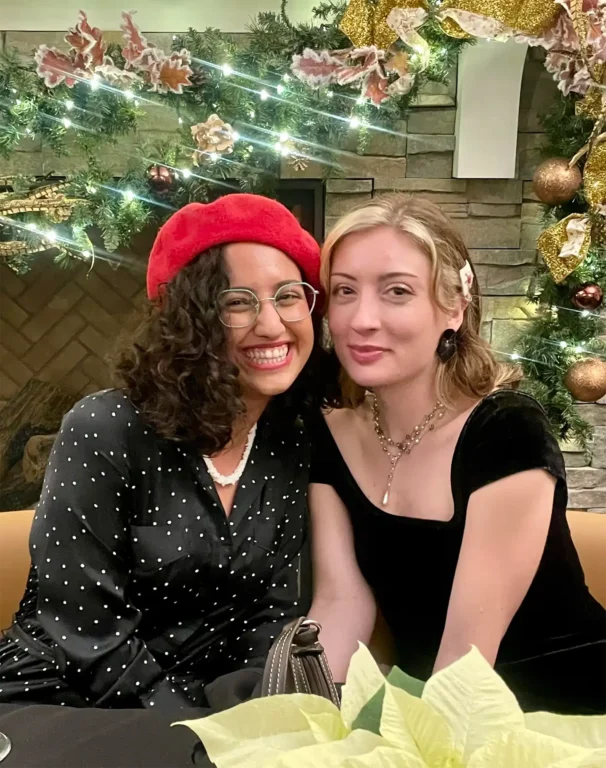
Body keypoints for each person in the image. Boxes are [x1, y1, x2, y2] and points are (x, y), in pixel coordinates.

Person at [0, 193, 326, 712]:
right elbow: (85, 636)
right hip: (64, 699)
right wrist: (193, 727)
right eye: (236, 302)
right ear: (189, 319)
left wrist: (258, 713)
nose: (271, 325)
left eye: (288, 295)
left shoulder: (291, 438)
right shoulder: (105, 429)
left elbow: (274, 614)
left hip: (213, 706)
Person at [308, 195, 606, 714]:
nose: (361, 319)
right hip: (433, 700)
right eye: (344, 292)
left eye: (396, 291)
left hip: (564, 705)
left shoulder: (506, 430)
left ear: (453, 308)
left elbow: (465, 659)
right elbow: (340, 605)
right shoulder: (329, 432)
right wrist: (299, 711)